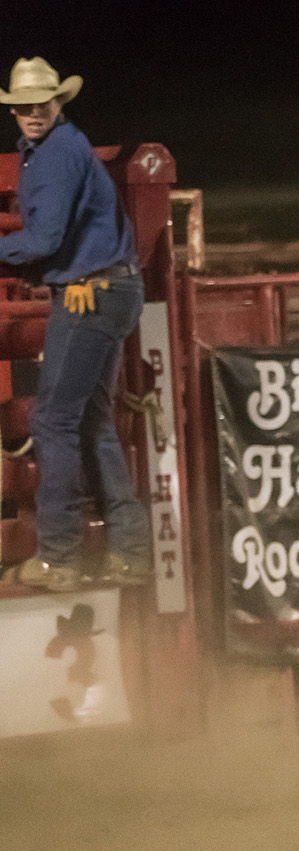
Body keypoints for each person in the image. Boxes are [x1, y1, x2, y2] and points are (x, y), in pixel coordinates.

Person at [0, 58, 150, 594]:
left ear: (58, 102)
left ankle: (58, 556)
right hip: (111, 288)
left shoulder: (56, 155)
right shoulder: (62, 148)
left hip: (89, 293)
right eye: (23, 105)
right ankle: (129, 551)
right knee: (92, 423)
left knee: (52, 422)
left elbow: (42, 241)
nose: (32, 112)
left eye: (41, 102)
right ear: (15, 109)